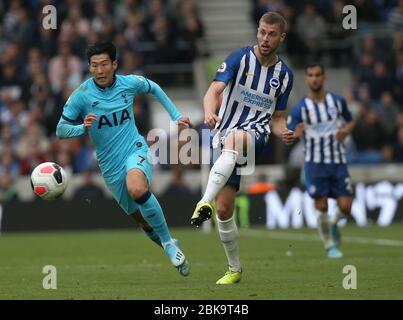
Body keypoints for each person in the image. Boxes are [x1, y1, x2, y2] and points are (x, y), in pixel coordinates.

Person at [56, 41, 192, 276]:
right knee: (144, 222)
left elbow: (154, 88)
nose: (99, 70)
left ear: (114, 64)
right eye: (94, 65)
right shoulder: (82, 95)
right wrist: (82, 129)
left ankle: (169, 242)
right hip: (109, 167)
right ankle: (170, 247)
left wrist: (176, 115)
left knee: (137, 189)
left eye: (104, 64)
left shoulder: (129, 84)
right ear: (89, 67)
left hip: (134, 149)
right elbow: (60, 129)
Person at [190, 12, 297, 284]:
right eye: (262, 32)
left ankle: (203, 201)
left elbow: (276, 118)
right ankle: (234, 269)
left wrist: (282, 131)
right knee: (225, 210)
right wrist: (209, 113)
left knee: (237, 139)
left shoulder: (284, 75)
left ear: (281, 37)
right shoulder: (239, 58)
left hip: (255, 135)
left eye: (271, 34)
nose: (264, 38)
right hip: (223, 136)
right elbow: (213, 91)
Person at [287, 63, 356, 258]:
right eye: (311, 75)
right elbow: (289, 134)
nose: (314, 78)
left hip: (338, 162)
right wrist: (294, 134)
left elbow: (351, 121)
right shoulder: (301, 108)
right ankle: (329, 246)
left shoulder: (337, 102)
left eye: (318, 75)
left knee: (346, 206)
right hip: (315, 164)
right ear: (307, 79)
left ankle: (334, 224)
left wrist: (345, 130)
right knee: (322, 205)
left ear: (323, 78)